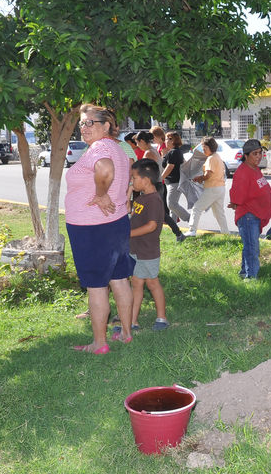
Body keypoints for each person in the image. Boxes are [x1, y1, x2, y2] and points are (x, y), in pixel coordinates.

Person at [66, 104, 134, 354]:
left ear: (106, 126)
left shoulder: (100, 147)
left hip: (92, 228)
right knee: (119, 280)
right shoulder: (117, 148)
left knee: (96, 285)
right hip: (115, 222)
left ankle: (99, 343)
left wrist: (101, 194)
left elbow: (105, 169)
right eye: (82, 123)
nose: (84, 128)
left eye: (90, 123)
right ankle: (125, 333)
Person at [128, 158, 169, 331]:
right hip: (136, 249)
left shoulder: (153, 200)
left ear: (145, 180)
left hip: (147, 251)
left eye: (134, 178)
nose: (132, 181)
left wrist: (128, 234)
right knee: (136, 283)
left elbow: (152, 226)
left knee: (152, 283)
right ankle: (132, 321)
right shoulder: (142, 197)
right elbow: (130, 212)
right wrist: (129, 192)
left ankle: (162, 318)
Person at [228, 139, 271, 280]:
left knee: (249, 246)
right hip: (248, 216)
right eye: (255, 154)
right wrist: (235, 203)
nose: (259, 156)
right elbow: (237, 196)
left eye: (260, 153)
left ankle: (244, 272)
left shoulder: (255, 168)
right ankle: (251, 277)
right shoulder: (243, 172)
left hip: (255, 215)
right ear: (246, 156)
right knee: (252, 248)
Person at [135, 131, 185, 241]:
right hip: (156, 185)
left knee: (154, 212)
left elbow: (147, 172)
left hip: (152, 186)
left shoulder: (149, 153)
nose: (137, 146)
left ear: (142, 141)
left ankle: (177, 234)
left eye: (137, 143)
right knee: (157, 213)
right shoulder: (152, 150)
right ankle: (177, 234)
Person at [185, 137, 230, 237]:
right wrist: (201, 178)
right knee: (219, 213)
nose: (203, 149)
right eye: (202, 147)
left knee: (197, 208)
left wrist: (199, 178)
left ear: (210, 147)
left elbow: (208, 175)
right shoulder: (217, 156)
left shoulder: (211, 158)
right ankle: (226, 233)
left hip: (212, 188)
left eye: (204, 147)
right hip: (220, 188)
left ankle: (192, 230)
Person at [160, 131, 190, 223]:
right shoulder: (174, 151)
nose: (165, 141)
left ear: (172, 140)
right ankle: (174, 227)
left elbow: (170, 167)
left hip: (174, 182)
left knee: (171, 204)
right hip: (172, 181)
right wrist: (164, 155)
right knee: (173, 206)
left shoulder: (174, 152)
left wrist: (160, 178)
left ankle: (190, 218)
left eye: (166, 139)